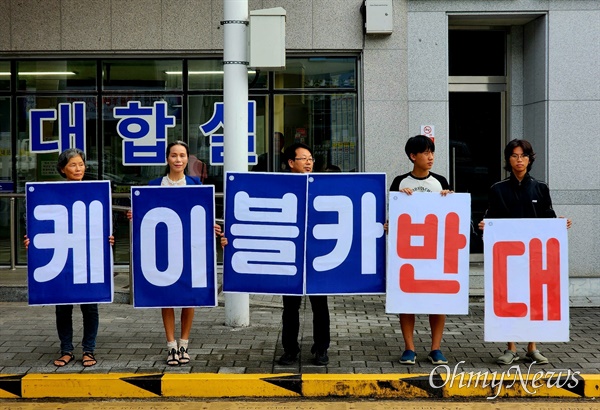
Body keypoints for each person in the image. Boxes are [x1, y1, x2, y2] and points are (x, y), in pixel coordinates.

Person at [127, 140, 225, 366]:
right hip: (163, 249)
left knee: (188, 298)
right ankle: (171, 346)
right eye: (174, 155)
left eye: (182, 155)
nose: (178, 160)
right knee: (167, 297)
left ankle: (184, 343)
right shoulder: (153, 185)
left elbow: (203, 217)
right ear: (167, 158)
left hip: (191, 250)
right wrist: (136, 216)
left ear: (187, 159)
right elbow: (145, 218)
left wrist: (213, 226)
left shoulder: (196, 186)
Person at [478, 139, 571, 365]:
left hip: (534, 257)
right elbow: (491, 220)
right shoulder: (497, 189)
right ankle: (510, 348)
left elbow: (548, 218)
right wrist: (485, 226)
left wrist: (558, 224)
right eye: (514, 156)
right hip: (508, 257)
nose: (519, 160)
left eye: (523, 156)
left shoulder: (540, 187)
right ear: (508, 160)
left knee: (533, 298)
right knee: (509, 297)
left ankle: (532, 347)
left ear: (530, 159)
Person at [24, 148, 114, 368]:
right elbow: (38, 226)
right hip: (62, 258)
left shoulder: (96, 192)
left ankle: (89, 350)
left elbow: (106, 223)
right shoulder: (52, 194)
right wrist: (31, 241)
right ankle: (66, 349)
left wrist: (110, 237)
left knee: (90, 306)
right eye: (73, 165)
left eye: (81, 164)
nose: (78, 168)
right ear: (63, 169)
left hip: (87, 258)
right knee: (62, 305)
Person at [389, 135, 452, 366]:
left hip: (435, 251)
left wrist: (449, 199)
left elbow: (449, 218)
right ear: (412, 156)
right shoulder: (400, 182)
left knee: (438, 299)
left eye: (432, 152)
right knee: (408, 298)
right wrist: (397, 204)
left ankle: (436, 348)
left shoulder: (440, 182)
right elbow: (391, 217)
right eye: (425, 153)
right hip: (408, 251)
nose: (430, 157)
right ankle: (409, 348)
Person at [278, 142, 331, 366]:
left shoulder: (322, 186)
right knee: (290, 306)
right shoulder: (280, 187)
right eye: (304, 159)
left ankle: (321, 348)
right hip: (290, 255)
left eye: (311, 158)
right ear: (291, 163)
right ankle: (290, 350)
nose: (309, 162)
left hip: (317, 256)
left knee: (320, 304)